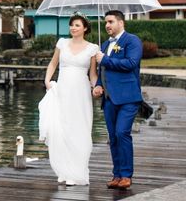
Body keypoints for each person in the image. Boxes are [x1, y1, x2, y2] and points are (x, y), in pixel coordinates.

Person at [38, 13, 99, 186]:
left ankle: (78, 171)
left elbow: (93, 74)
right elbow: (53, 63)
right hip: (62, 91)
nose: (73, 27)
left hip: (81, 94)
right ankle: (64, 170)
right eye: (72, 25)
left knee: (80, 129)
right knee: (62, 128)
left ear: (85, 28)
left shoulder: (93, 48)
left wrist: (96, 87)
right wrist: (47, 80)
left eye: (77, 25)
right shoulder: (62, 43)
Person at [93, 10, 143, 190]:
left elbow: (131, 64)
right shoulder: (105, 43)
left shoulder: (132, 40)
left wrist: (105, 59)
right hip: (109, 99)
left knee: (122, 133)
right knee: (113, 138)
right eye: (106, 22)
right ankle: (116, 175)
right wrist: (98, 85)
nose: (107, 25)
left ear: (121, 22)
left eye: (110, 21)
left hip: (128, 97)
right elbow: (102, 71)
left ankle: (126, 175)